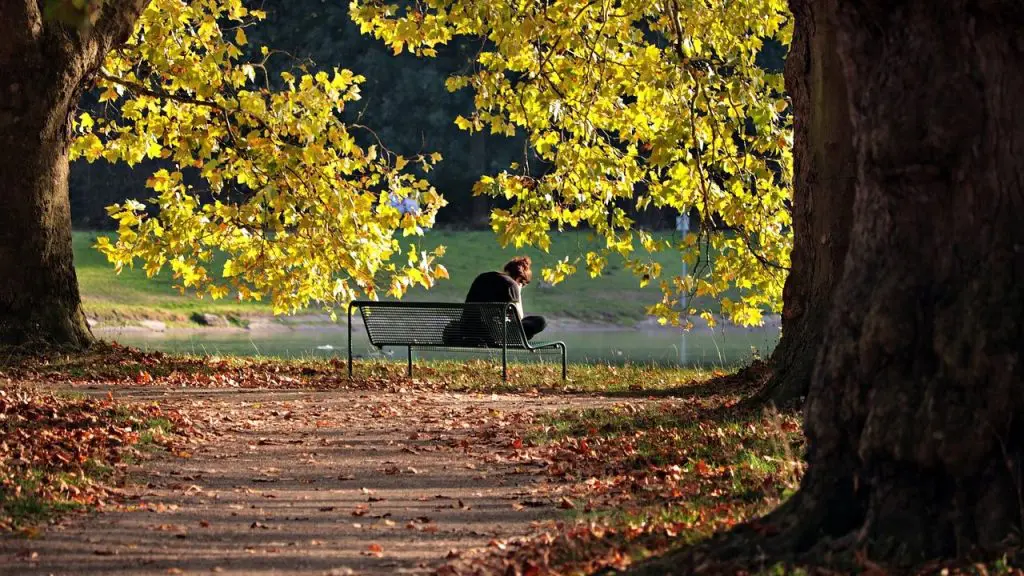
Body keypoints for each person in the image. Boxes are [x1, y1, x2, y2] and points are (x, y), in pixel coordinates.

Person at [464, 256, 547, 341]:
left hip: (466, 333)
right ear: (520, 279)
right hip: (493, 337)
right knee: (541, 321)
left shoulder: (481, 278)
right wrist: (518, 292)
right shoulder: (511, 285)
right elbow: (519, 319)